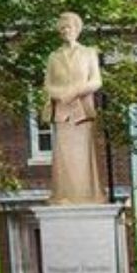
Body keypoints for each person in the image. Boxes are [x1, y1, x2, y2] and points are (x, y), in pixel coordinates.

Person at [42, 11, 107, 204]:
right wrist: (59, 93)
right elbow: (47, 84)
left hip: (82, 110)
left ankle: (88, 194)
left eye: (68, 27)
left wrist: (76, 90)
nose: (65, 32)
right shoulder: (54, 57)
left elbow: (96, 81)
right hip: (62, 111)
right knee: (64, 155)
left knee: (84, 154)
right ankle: (64, 194)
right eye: (62, 29)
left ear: (77, 29)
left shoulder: (88, 53)